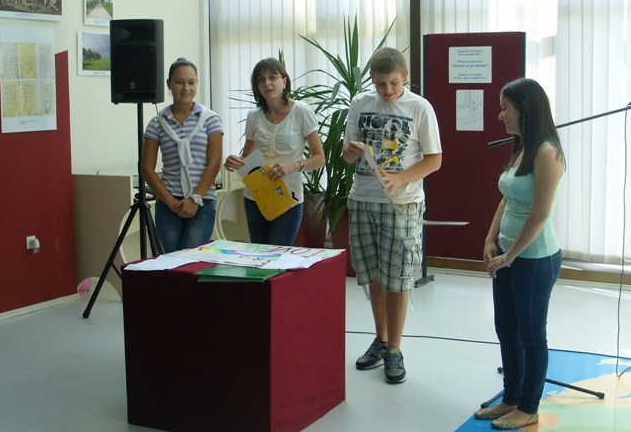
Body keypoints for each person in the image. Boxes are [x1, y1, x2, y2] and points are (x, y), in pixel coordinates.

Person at [342, 47, 442, 384]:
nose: (387, 90)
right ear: (372, 78)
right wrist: (350, 151)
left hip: (403, 203)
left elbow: (434, 159)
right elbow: (347, 153)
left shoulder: (419, 107)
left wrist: (400, 179)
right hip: (363, 199)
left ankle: (395, 349)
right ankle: (381, 340)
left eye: (394, 83)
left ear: (405, 77)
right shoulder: (360, 103)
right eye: (380, 83)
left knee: (397, 278)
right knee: (374, 275)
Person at [474, 78, 565, 430]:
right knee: (506, 329)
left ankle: (528, 408)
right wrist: (491, 238)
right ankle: (510, 398)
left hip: (535, 260)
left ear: (524, 108)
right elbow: (507, 198)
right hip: (508, 255)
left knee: (531, 335)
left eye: (504, 108)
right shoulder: (522, 147)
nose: (500, 115)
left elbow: (540, 214)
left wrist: (510, 255)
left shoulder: (547, 152)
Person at [223, 57, 325, 245]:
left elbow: (320, 158)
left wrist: (293, 166)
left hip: (288, 198)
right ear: (257, 86)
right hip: (255, 196)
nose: (267, 83)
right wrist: (234, 161)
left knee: (278, 255)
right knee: (259, 255)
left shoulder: (301, 111)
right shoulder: (253, 116)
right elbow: (247, 156)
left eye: (272, 77)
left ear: (284, 81)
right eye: (261, 79)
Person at [141, 58, 224, 252]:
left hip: (202, 203)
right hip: (169, 204)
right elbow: (147, 168)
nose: (186, 88)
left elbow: (214, 163)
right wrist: (170, 202)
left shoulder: (210, 119)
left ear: (196, 83)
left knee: (190, 257)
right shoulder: (157, 123)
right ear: (169, 83)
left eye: (191, 82)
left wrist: (195, 199)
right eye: (179, 82)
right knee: (172, 259)